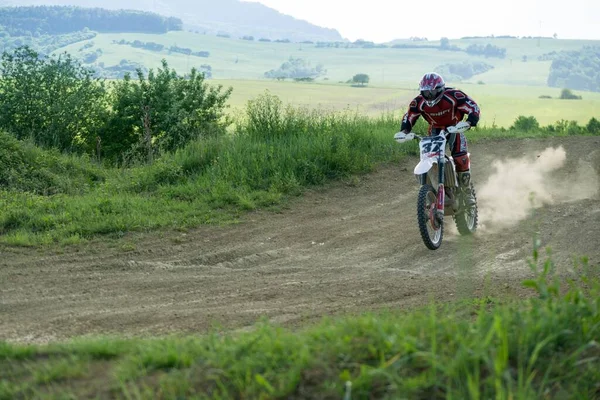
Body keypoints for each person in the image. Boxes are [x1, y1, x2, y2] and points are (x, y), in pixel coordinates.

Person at [395, 72, 480, 205]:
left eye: (433, 92)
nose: (429, 95)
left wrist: (469, 122)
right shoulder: (418, 102)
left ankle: (467, 191)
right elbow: (409, 116)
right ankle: (435, 189)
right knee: (430, 157)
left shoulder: (454, 95)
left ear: (440, 89)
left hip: (455, 128)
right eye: (426, 92)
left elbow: (473, 107)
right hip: (435, 130)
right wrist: (404, 131)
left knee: (460, 158)